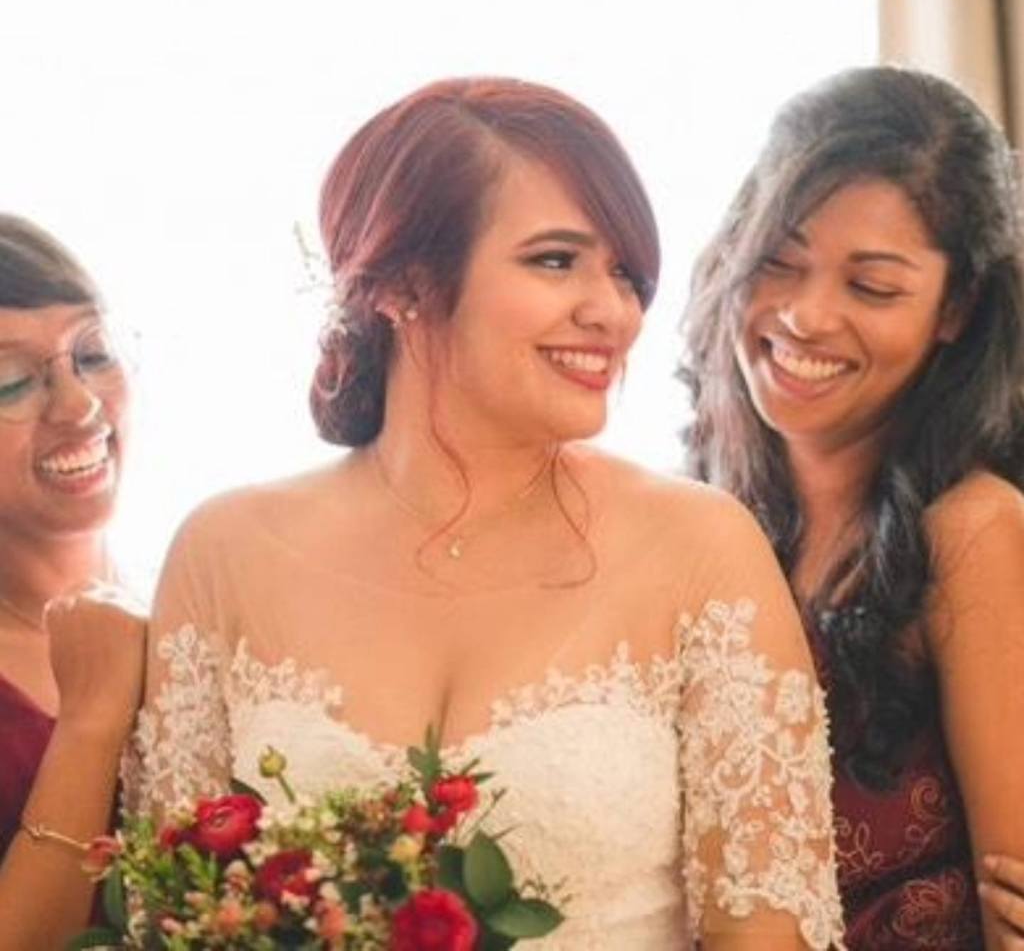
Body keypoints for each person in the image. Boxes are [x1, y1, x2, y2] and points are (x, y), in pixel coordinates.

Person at [133, 78, 847, 949]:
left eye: (625, 274)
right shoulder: (226, 553)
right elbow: (173, 916)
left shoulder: (701, 548)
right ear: (402, 282)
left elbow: (768, 934)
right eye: (556, 260)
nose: (613, 312)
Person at [681, 65, 1024, 950]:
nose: (805, 317)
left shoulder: (972, 530)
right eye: (778, 262)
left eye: (871, 287)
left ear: (956, 308)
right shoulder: (699, 509)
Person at [0, 215, 146, 949]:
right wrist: (90, 721)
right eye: (10, 382)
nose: (80, 407)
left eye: (93, 354)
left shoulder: (203, 592)